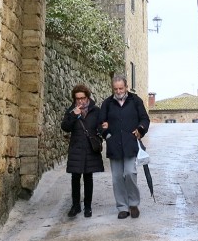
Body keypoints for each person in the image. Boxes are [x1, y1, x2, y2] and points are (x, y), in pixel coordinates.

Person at [99, 73, 150, 219]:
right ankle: (122, 207)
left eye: (121, 88)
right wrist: (106, 134)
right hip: (114, 145)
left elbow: (145, 119)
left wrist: (140, 129)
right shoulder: (107, 104)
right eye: (116, 89)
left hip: (130, 143)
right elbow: (100, 123)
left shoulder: (135, 101)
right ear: (113, 89)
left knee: (130, 173)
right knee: (116, 178)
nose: (119, 91)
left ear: (126, 87)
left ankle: (133, 204)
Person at [60, 83, 104, 218]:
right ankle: (75, 206)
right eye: (77, 98)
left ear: (87, 97)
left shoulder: (95, 111)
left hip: (90, 148)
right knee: (75, 177)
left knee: (88, 177)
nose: (80, 101)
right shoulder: (71, 110)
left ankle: (88, 207)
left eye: (82, 98)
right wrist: (74, 115)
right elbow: (65, 127)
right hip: (76, 148)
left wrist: (102, 132)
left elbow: (101, 127)